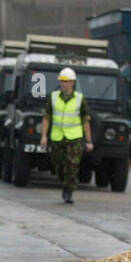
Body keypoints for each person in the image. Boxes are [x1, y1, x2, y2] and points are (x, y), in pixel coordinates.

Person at [39, 66, 93, 203]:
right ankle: (65, 182)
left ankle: (69, 190)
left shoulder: (80, 99)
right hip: (57, 137)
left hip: (74, 138)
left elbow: (85, 120)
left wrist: (89, 141)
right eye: (61, 81)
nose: (63, 84)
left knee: (72, 165)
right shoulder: (53, 97)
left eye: (66, 81)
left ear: (72, 83)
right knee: (58, 164)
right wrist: (44, 136)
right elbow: (47, 117)